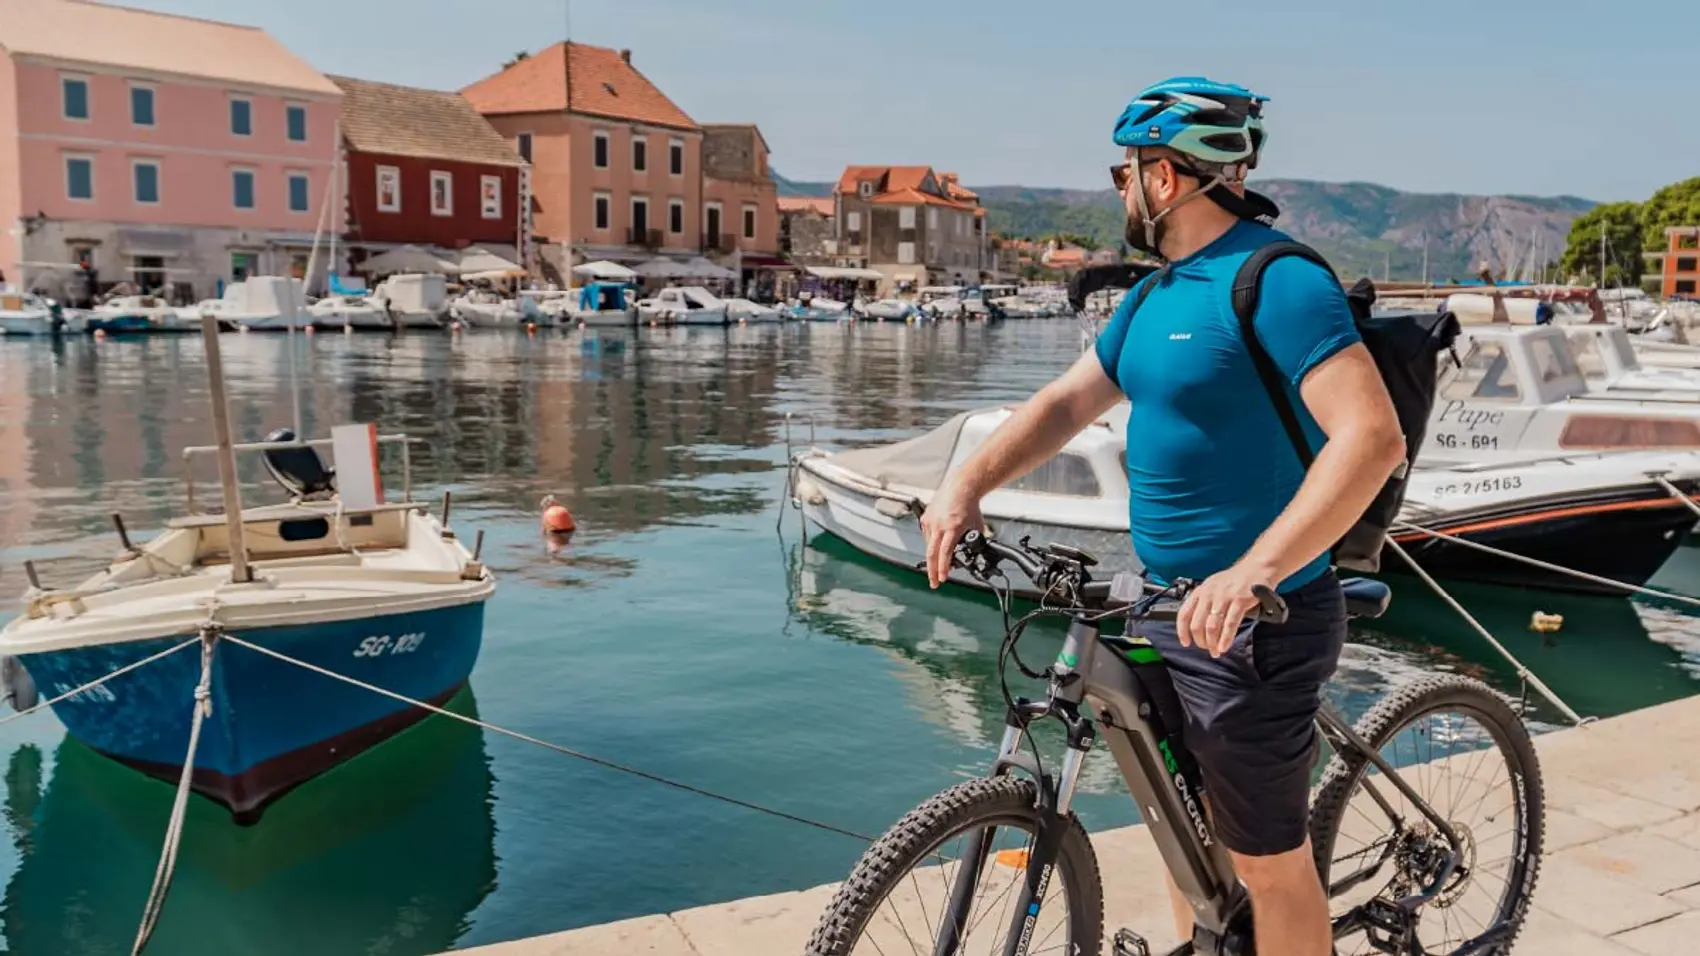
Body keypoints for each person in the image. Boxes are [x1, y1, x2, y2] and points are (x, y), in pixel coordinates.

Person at [920, 77, 1405, 956]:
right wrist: (966, 486)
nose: (1121, 189)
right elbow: (1066, 405)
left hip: (1259, 620)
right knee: (1190, 839)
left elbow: (1371, 440)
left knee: (1266, 861)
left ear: (1167, 179)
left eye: (1125, 171)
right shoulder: (1154, 297)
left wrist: (1254, 569)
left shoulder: (1279, 280)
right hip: (1161, 605)